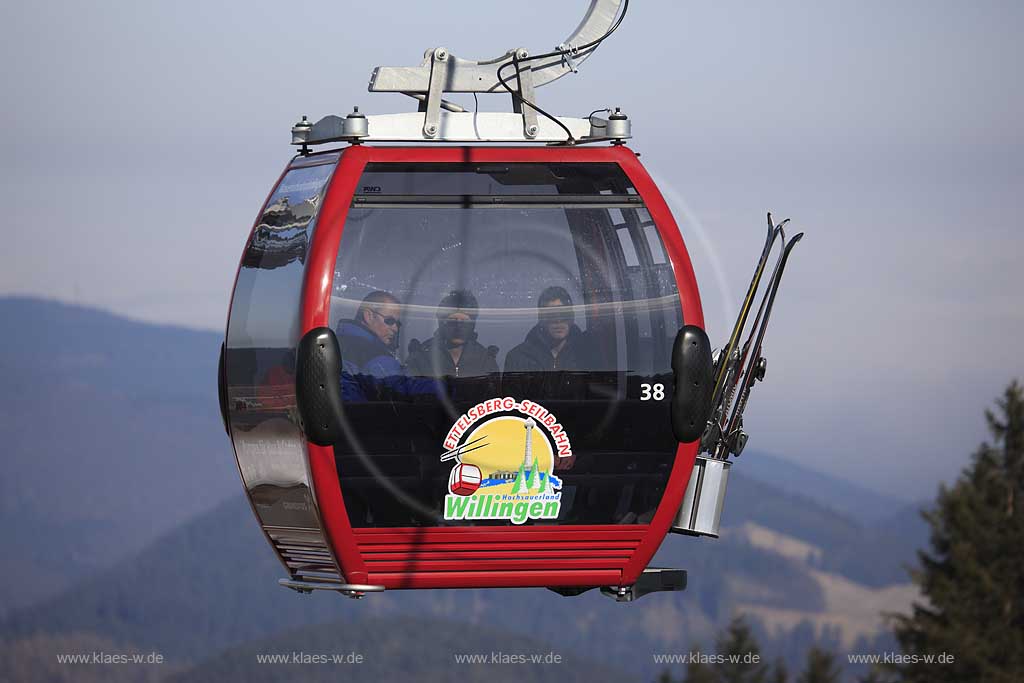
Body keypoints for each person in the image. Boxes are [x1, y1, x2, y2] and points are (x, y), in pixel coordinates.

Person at [336, 290, 437, 402]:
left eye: (397, 324)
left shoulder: (340, 342)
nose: (395, 328)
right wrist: (450, 387)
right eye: (390, 321)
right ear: (368, 316)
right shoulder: (373, 355)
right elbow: (404, 389)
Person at [406, 290, 499, 380]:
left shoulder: (485, 360)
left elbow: (493, 393)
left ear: (472, 325)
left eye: (465, 322)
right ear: (441, 322)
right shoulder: (420, 357)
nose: (458, 327)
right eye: (452, 321)